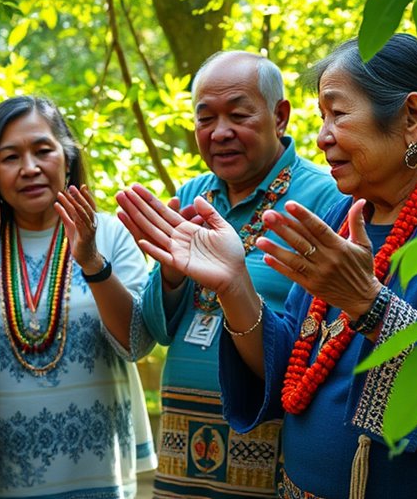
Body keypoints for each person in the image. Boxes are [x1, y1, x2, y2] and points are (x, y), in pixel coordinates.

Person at [118, 34, 417, 499]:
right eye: (321, 117)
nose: (321, 137)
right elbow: (285, 366)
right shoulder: (343, 215)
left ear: (411, 118)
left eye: (338, 114)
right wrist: (233, 284)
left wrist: (370, 307)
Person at [121, 51, 340, 498]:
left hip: (271, 439)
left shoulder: (324, 199)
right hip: (183, 445)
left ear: (280, 117)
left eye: (238, 115)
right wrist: (170, 274)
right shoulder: (190, 196)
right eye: (206, 119)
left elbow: (329, 335)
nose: (220, 132)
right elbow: (158, 331)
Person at [0, 96, 156, 498]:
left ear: (67, 156)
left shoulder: (111, 234)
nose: (30, 168)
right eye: (10, 157)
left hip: (95, 473)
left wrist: (93, 261)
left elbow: (138, 343)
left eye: (43, 150)